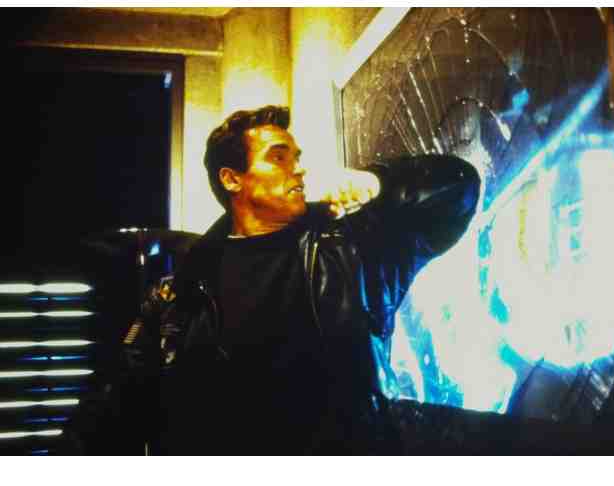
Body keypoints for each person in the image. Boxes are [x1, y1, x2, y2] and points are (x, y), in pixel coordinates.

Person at [155, 105, 481, 455]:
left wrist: (380, 182)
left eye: (295, 157)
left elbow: (460, 188)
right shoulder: (193, 282)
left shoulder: (351, 242)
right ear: (232, 179)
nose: (298, 168)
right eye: (278, 157)